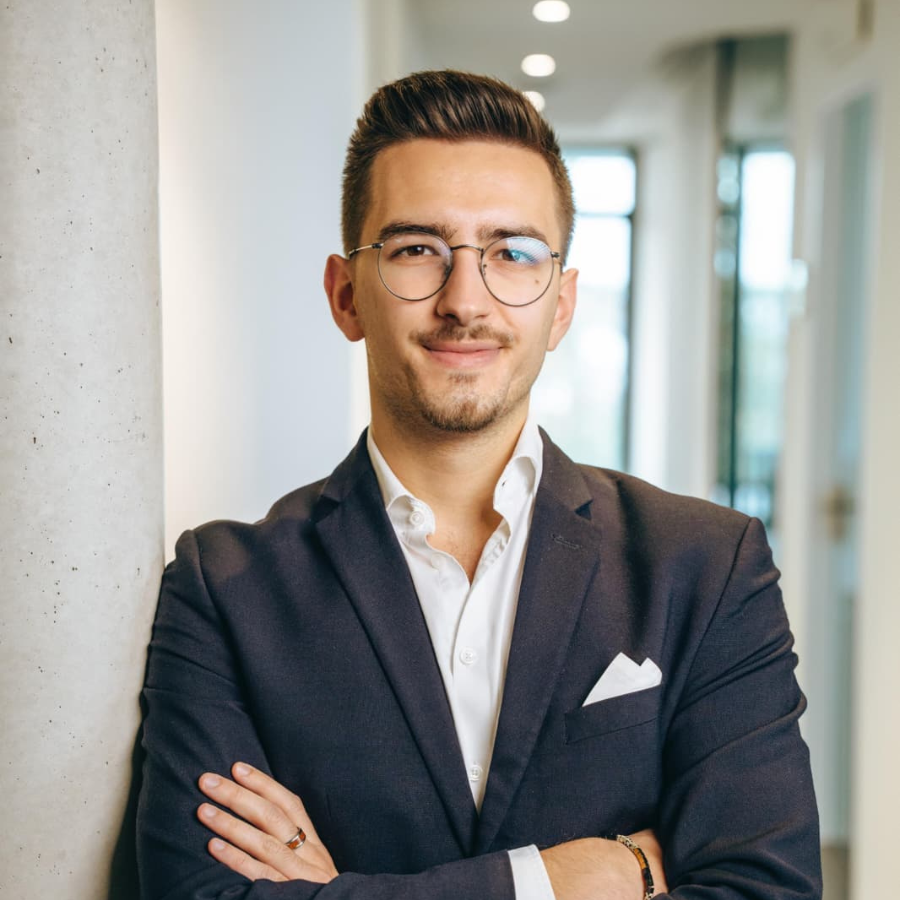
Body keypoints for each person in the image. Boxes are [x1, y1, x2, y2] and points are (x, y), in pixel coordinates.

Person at [136, 70, 821, 900]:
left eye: (513, 253)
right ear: (346, 296)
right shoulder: (222, 589)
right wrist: (559, 880)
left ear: (560, 305)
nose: (466, 300)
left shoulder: (707, 566)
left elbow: (766, 888)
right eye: (416, 249)